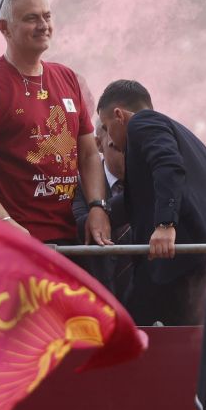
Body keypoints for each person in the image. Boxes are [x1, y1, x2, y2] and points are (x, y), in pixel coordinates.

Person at [0, 0, 110, 247]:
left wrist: (97, 206)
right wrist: (4, 223)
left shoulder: (67, 77)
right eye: (31, 18)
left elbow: (87, 153)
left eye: (47, 16)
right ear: (4, 28)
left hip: (71, 235)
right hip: (17, 242)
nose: (43, 25)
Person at [98, 79, 206, 325]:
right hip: (195, 262)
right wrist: (98, 210)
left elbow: (168, 165)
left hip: (174, 262)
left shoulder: (143, 122)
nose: (107, 137)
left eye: (106, 126)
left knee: (135, 334)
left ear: (118, 115)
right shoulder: (186, 137)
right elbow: (143, 199)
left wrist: (165, 224)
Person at [73, 115, 131, 295]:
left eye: (133, 148)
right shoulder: (80, 186)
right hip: (98, 294)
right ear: (99, 144)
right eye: (117, 148)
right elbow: (81, 225)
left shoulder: (155, 184)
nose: (127, 155)